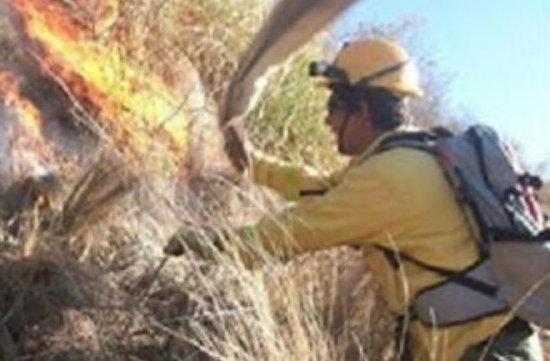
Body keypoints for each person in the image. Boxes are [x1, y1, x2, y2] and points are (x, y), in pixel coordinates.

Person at [165, 38, 544, 361]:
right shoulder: (408, 155)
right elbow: (324, 189)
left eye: (334, 106)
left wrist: (210, 244)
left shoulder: (390, 177)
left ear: (362, 110)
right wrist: (253, 163)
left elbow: (288, 235)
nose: (327, 120)